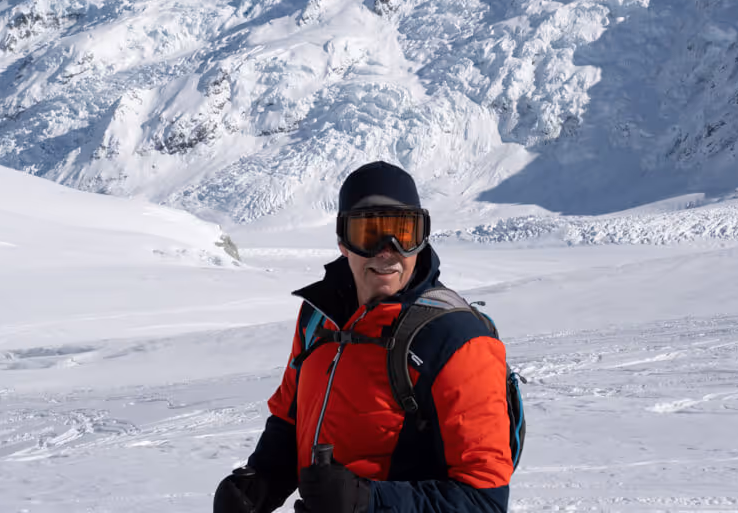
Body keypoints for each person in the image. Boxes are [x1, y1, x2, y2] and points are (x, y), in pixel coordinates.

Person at [214, 161, 514, 513]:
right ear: (343, 241)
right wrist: (262, 479)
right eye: (368, 234)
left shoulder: (455, 340)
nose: (388, 252)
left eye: (403, 233)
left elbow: (485, 500)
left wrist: (368, 501)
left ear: (422, 239)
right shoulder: (318, 317)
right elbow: (292, 416)